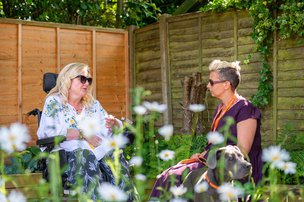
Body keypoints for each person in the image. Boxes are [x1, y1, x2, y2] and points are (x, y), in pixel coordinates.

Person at [150, 59, 263, 198]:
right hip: (213, 163)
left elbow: (242, 149)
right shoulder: (221, 108)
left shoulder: (245, 109)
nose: (208, 86)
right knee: (167, 176)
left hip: (231, 168)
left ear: (226, 85)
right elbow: (215, 144)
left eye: (212, 82)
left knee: (175, 177)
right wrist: (202, 155)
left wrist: (211, 160)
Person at [37, 62, 135, 201]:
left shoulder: (93, 104)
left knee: (115, 156)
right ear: (67, 79)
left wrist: (114, 124)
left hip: (98, 152)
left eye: (89, 80)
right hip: (66, 156)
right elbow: (48, 131)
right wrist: (83, 134)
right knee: (85, 155)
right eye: (82, 79)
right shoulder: (55, 102)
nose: (86, 83)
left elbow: (105, 130)